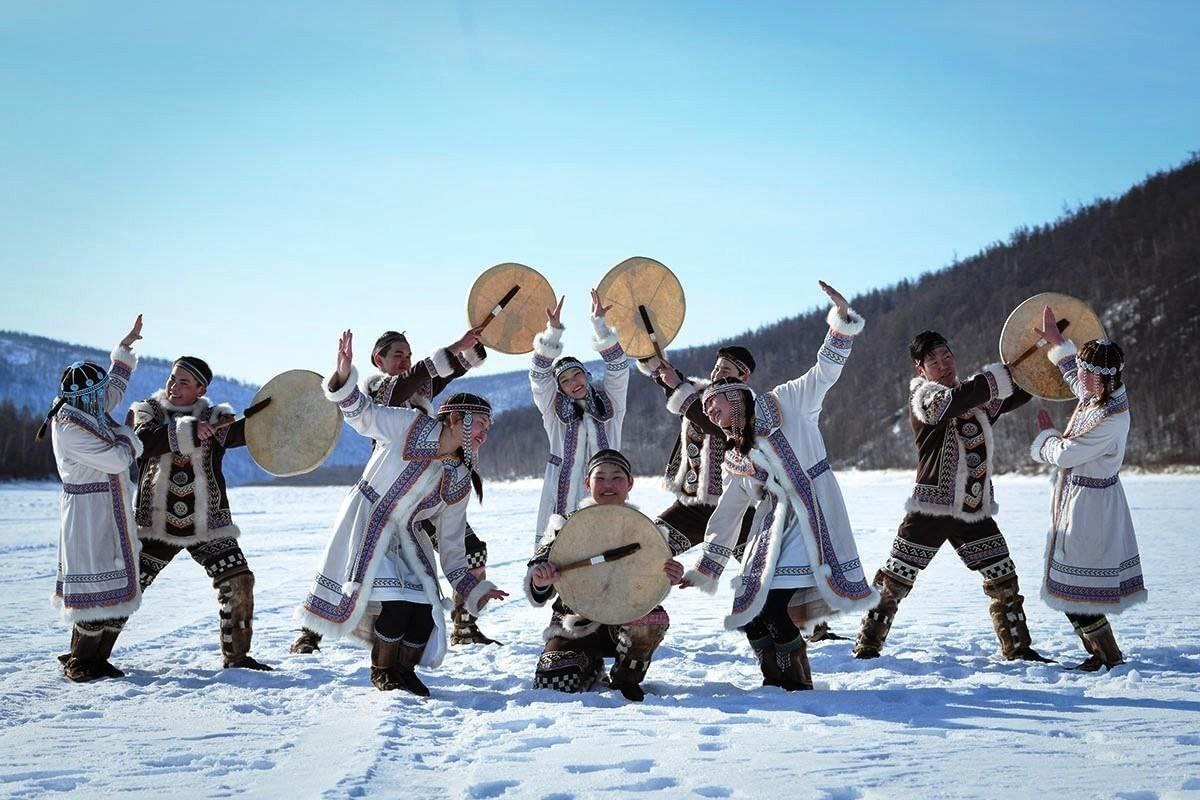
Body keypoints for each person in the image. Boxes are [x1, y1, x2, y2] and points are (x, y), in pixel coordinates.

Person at [681, 282, 875, 690]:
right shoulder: (737, 454)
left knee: (771, 607)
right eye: (708, 414)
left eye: (716, 407)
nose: (713, 417)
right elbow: (730, 510)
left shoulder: (787, 402)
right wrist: (706, 566)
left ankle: (797, 683)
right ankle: (777, 680)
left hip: (813, 512)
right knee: (750, 611)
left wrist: (839, 323)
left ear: (736, 395)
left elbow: (825, 372)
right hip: (773, 526)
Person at [297, 330, 507, 694]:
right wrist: (345, 376)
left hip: (407, 534)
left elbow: (453, 547)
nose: (483, 437)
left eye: (488, 430)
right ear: (454, 420)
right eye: (479, 426)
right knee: (395, 604)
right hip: (367, 521)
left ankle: (405, 672)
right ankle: (382, 673)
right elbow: (362, 414)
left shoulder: (457, 476)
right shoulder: (407, 423)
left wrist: (474, 589)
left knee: (425, 612)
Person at [852, 328, 1050, 662]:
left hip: (972, 509)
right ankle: (868, 646)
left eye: (947, 356)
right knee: (895, 580)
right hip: (931, 508)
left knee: (1004, 578)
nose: (943, 365)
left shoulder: (976, 399)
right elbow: (952, 404)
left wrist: (1041, 362)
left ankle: (1018, 648)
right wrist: (996, 377)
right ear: (921, 369)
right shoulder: (925, 398)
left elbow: (1020, 391)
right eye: (933, 360)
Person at [638, 346, 846, 643]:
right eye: (716, 368)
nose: (716, 375)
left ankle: (812, 626)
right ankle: (626, 614)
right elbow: (673, 383)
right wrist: (651, 359)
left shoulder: (744, 409)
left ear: (743, 378)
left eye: (726, 371)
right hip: (691, 507)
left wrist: (678, 387)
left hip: (737, 509)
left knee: (768, 572)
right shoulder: (703, 397)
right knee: (648, 548)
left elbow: (709, 420)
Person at [129, 354, 273, 670]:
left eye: (183, 382)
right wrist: (190, 430)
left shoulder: (217, 417)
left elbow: (247, 433)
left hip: (208, 524)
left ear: (200, 388)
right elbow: (142, 442)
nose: (173, 386)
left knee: (238, 580)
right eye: (172, 378)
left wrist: (278, 415)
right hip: (154, 525)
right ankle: (86, 659)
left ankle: (237, 657)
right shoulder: (146, 411)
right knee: (125, 585)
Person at [1029, 305, 1143, 670]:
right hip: (1078, 498)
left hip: (1090, 506)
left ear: (1103, 377)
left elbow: (1065, 455)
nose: (1079, 376)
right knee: (1068, 584)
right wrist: (1058, 342)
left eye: (1086, 371)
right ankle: (1102, 653)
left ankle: (1107, 655)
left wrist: (1045, 437)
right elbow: (1077, 381)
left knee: (1074, 586)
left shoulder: (1111, 418)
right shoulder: (1100, 395)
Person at [525, 449, 684, 701]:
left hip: (626, 619)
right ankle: (590, 664)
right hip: (575, 623)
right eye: (600, 478)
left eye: (617, 478)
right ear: (588, 483)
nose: (608, 485)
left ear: (630, 483)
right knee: (552, 682)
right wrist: (540, 578)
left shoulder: (646, 530)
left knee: (651, 619)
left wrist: (670, 576)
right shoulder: (565, 526)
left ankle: (626, 677)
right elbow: (539, 568)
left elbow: (654, 580)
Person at [39, 316, 144, 682]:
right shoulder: (69, 429)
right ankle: (81, 661)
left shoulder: (87, 410)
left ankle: (93, 657)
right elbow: (117, 457)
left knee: (109, 579)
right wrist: (130, 434)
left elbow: (111, 390)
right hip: (87, 512)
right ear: (82, 399)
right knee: (92, 581)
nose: (104, 402)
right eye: (96, 397)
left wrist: (125, 349)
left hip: (106, 506)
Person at [530, 290, 629, 547]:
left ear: (586, 375)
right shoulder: (553, 414)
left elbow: (619, 367)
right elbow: (539, 377)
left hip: (606, 487)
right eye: (564, 380)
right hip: (560, 492)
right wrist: (552, 333)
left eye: (577, 375)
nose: (573, 383)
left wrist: (600, 325)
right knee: (558, 554)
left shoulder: (611, 407)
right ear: (559, 387)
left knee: (606, 552)